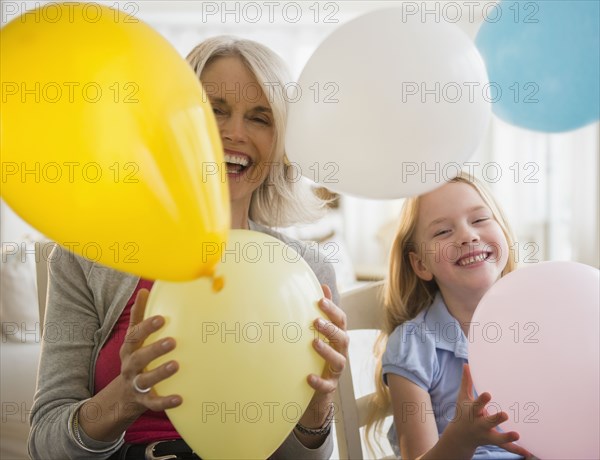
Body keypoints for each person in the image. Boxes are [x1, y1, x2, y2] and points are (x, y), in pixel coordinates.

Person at [28, 36, 349, 460]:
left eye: (260, 117)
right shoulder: (88, 257)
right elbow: (45, 446)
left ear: (281, 147)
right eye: (213, 110)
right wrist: (126, 396)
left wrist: (317, 406)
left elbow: (303, 458)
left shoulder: (305, 272)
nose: (234, 132)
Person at [366, 172, 533, 459]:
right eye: (443, 231)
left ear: (504, 232)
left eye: (479, 219)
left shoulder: (532, 326)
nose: (468, 235)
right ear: (421, 264)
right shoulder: (412, 346)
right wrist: (461, 438)